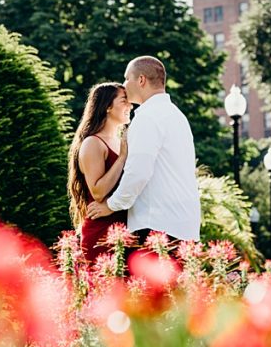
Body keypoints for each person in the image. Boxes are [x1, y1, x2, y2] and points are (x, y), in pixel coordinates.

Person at [86, 55, 201, 243]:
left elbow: (138, 172)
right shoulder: (178, 116)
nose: (124, 85)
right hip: (185, 227)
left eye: (126, 78)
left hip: (157, 226)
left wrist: (111, 205)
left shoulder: (147, 117)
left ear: (141, 80)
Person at [67, 82, 131, 262]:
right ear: (108, 106)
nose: (130, 105)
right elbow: (97, 192)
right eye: (124, 101)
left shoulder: (119, 142)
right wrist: (122, 158)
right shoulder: (93, 143)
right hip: (101, 233)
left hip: (123, 232)